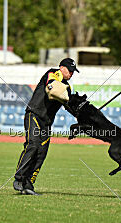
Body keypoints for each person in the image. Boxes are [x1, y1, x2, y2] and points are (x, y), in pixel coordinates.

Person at [13, 58, 79, 195]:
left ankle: (28, 185)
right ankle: (19, 179)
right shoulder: (52, 74)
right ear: (62, 68)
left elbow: (70, 107)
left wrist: (84, 113)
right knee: (33, 145)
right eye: (70, 70)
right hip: (34, 115)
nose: (71, 74)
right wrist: (66, 95)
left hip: (47, 123)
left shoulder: (68, 87)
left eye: (73, 71)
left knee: (42, 153)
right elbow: (52, 88)